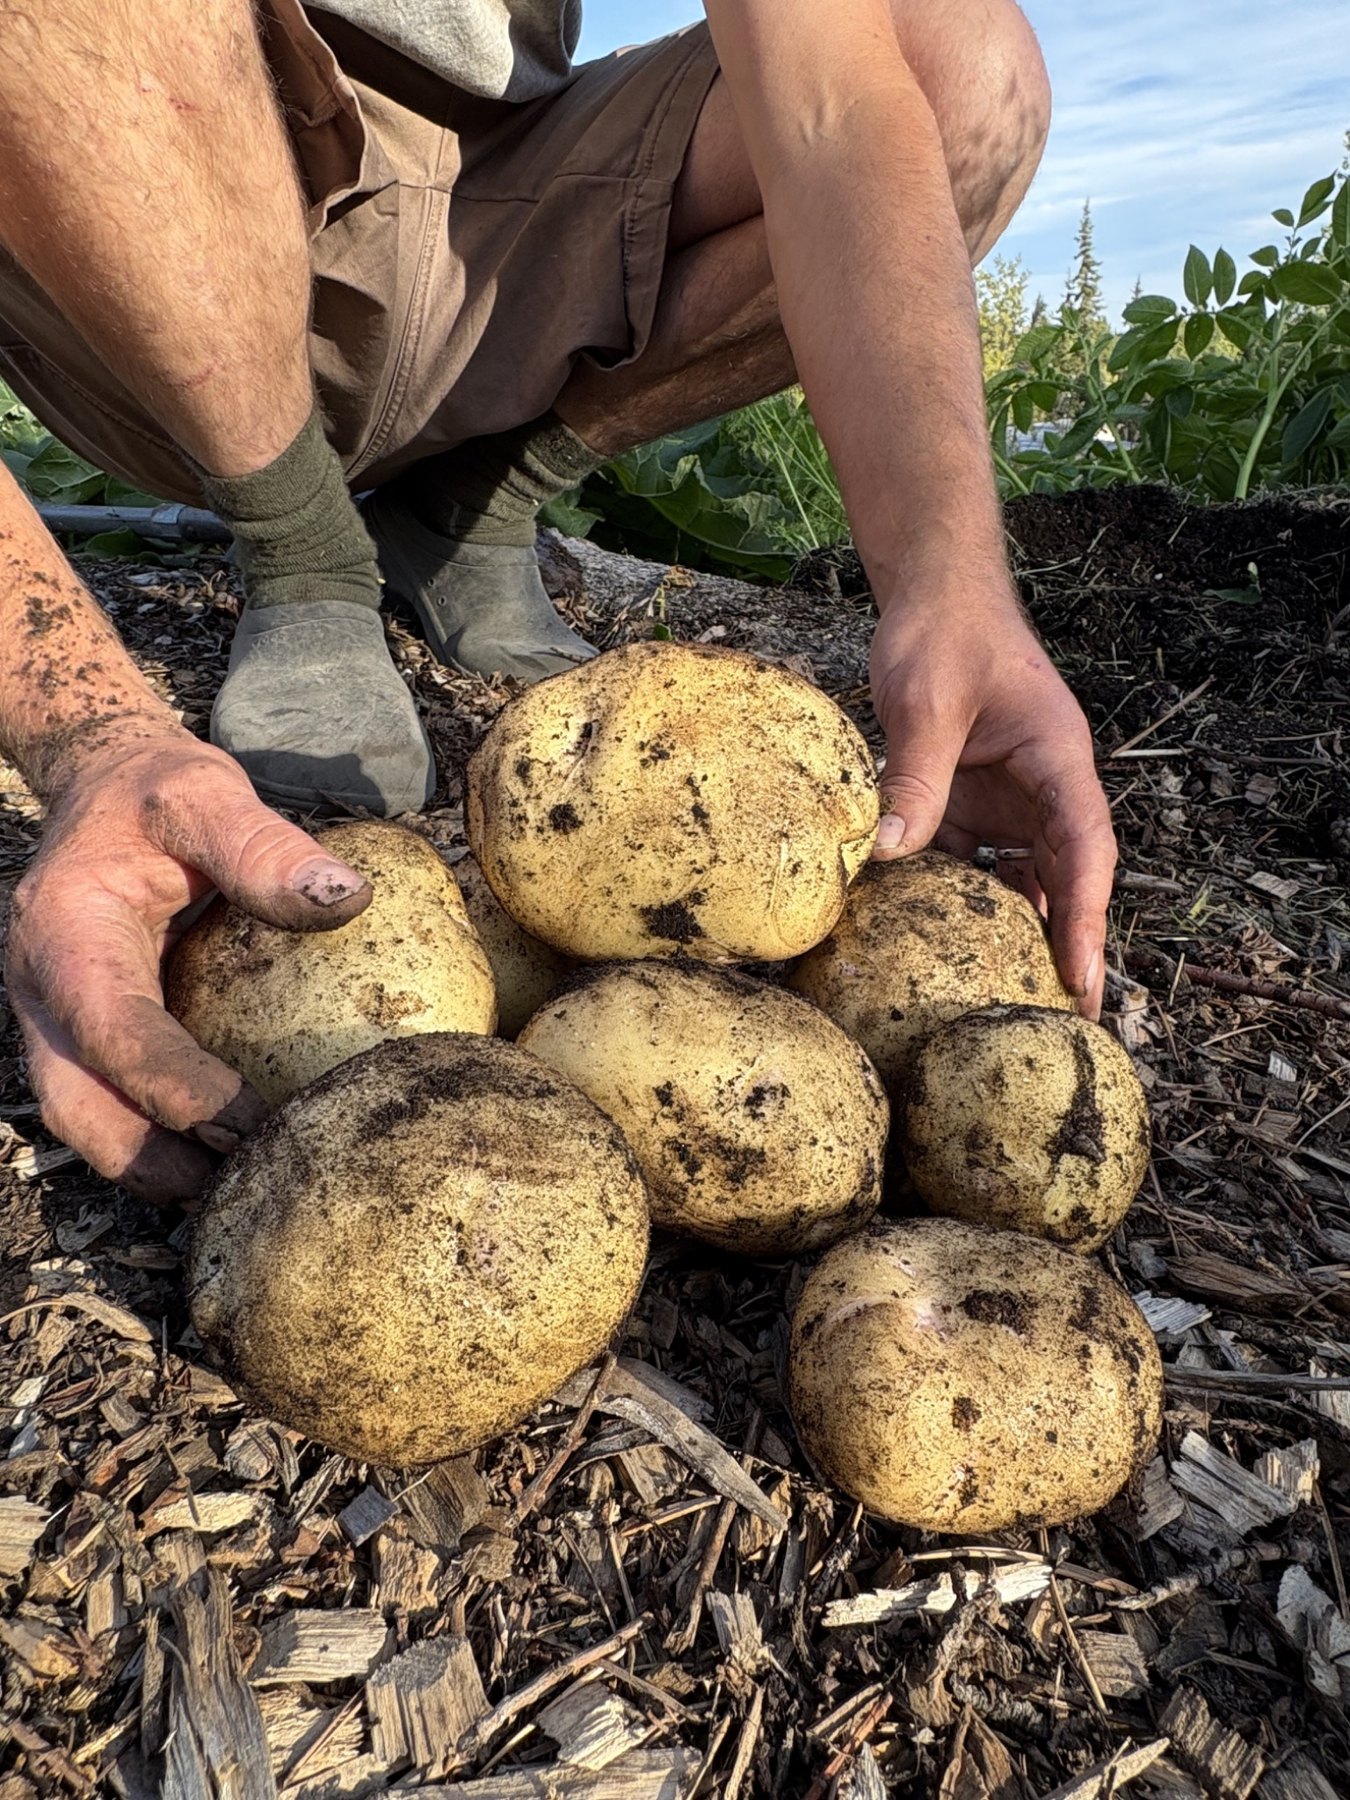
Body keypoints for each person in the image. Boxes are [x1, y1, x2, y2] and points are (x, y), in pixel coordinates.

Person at [0, 0, 1115, 1206]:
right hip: (129, 211)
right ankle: (299, 544)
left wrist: (952, 587)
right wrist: (92, 734)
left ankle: (474, 503)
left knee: (962, 61)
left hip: (492, 192)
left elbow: (833, 101)